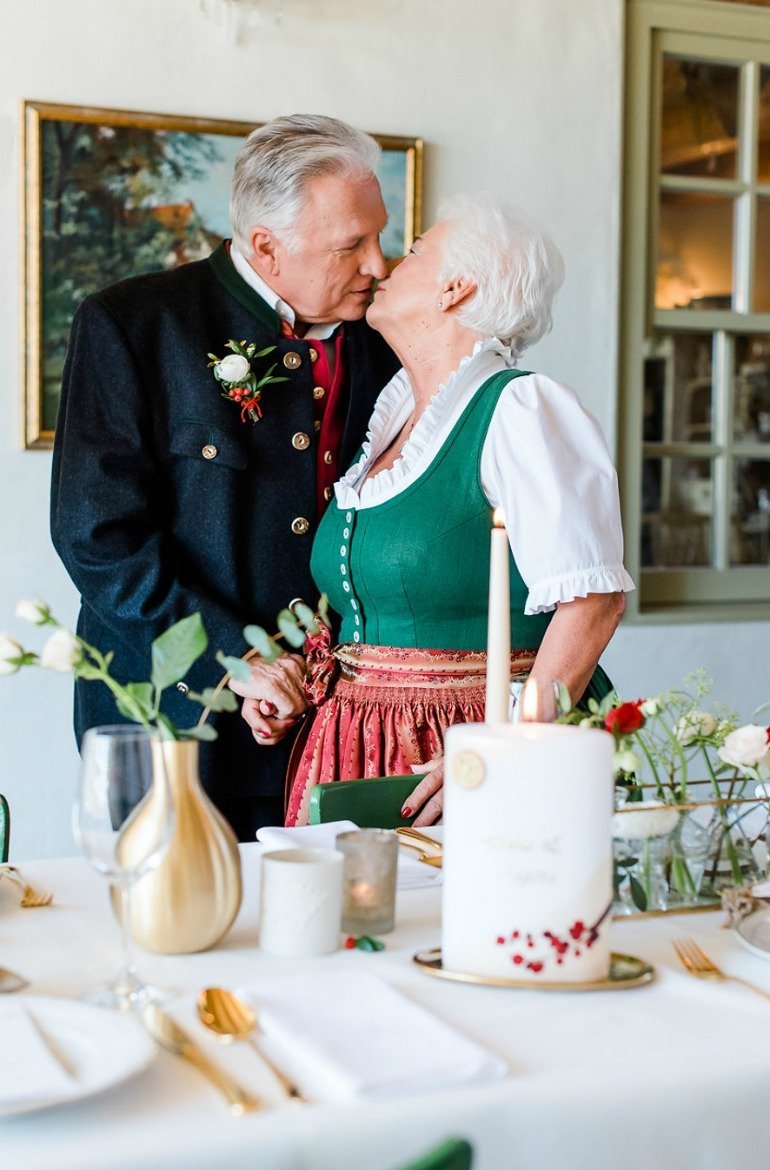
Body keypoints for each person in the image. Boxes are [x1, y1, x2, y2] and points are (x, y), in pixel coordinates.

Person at [231, 193, 635, 827]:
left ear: (455, 288)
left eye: (414, 250)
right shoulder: (392, 422)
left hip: (470, 745)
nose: (387, 264)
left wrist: (507, 747)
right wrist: (300, 686)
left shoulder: (521, 410)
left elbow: (594, 602)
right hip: (356, 744)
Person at [50, 115, 399, 840]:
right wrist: (232, 657)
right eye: (352, 246)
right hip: (173, 724)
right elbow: (97, 538)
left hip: (330, 732)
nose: (379, 265)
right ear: (266, 247)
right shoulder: (134, 325)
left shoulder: (385, 341)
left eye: (380, 237)